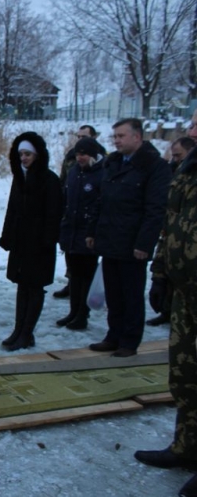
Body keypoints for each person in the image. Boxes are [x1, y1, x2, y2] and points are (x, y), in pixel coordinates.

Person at [134, 110, 197, 497]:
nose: (191, 130)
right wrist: (161, 273)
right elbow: (170, 223)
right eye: (192, 123)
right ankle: (187, 447)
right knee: (185, 374)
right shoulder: (188, 167)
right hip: (185, 288)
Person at [86, 118, 171, 357]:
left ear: (137, 137)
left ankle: (129, 340)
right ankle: (113, 336)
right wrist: (93, 231)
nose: (117, 141)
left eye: (121, 136)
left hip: (133, 243)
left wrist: (144, 244)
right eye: (115, 137)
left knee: (131, 295)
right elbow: (101, 201)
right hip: (110, 238)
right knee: (113, 293)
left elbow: (155, 210)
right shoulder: (112, 163)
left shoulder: (154, 166)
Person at [0, 132, 63, 350]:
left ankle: (27, 333)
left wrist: (47, 241)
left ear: (37, 154)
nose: (23, 158)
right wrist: (7, 236)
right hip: (21, 243)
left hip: (39, 245)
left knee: (34, 288)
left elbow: (54, 214)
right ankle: (19, 330)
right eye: (20, 154)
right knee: (22, 287)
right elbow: (11, 209)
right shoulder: (21, 178)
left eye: (27, 154)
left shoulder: (49, 180)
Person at [56, 137, 105, 330]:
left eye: (83, 154)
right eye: (77, 154)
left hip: (88, 233)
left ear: (93, 155)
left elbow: (100, 206)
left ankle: (83, 314)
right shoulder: (74, 172)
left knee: (86, 275)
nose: (80, 158)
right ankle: (73, 311)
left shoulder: (101, 174)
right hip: (71, 231)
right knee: (74, 275)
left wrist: (93, 231)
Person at [147, 136, 196, 327]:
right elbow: (170, 225)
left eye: (179, 156)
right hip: (180, 274)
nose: (176, 160)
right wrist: (159, 274)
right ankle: (166, 311)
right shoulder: (180, 174)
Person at [53, 124, 100, 300]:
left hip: (87, 225)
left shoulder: (102, 164)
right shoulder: (71, 160)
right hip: (71, 222)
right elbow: (64, 182)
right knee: (72, 262)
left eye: (84, 136)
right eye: (78, 137)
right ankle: (71, 287)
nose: (80, 140)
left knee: (85, 269)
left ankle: (82, 306)